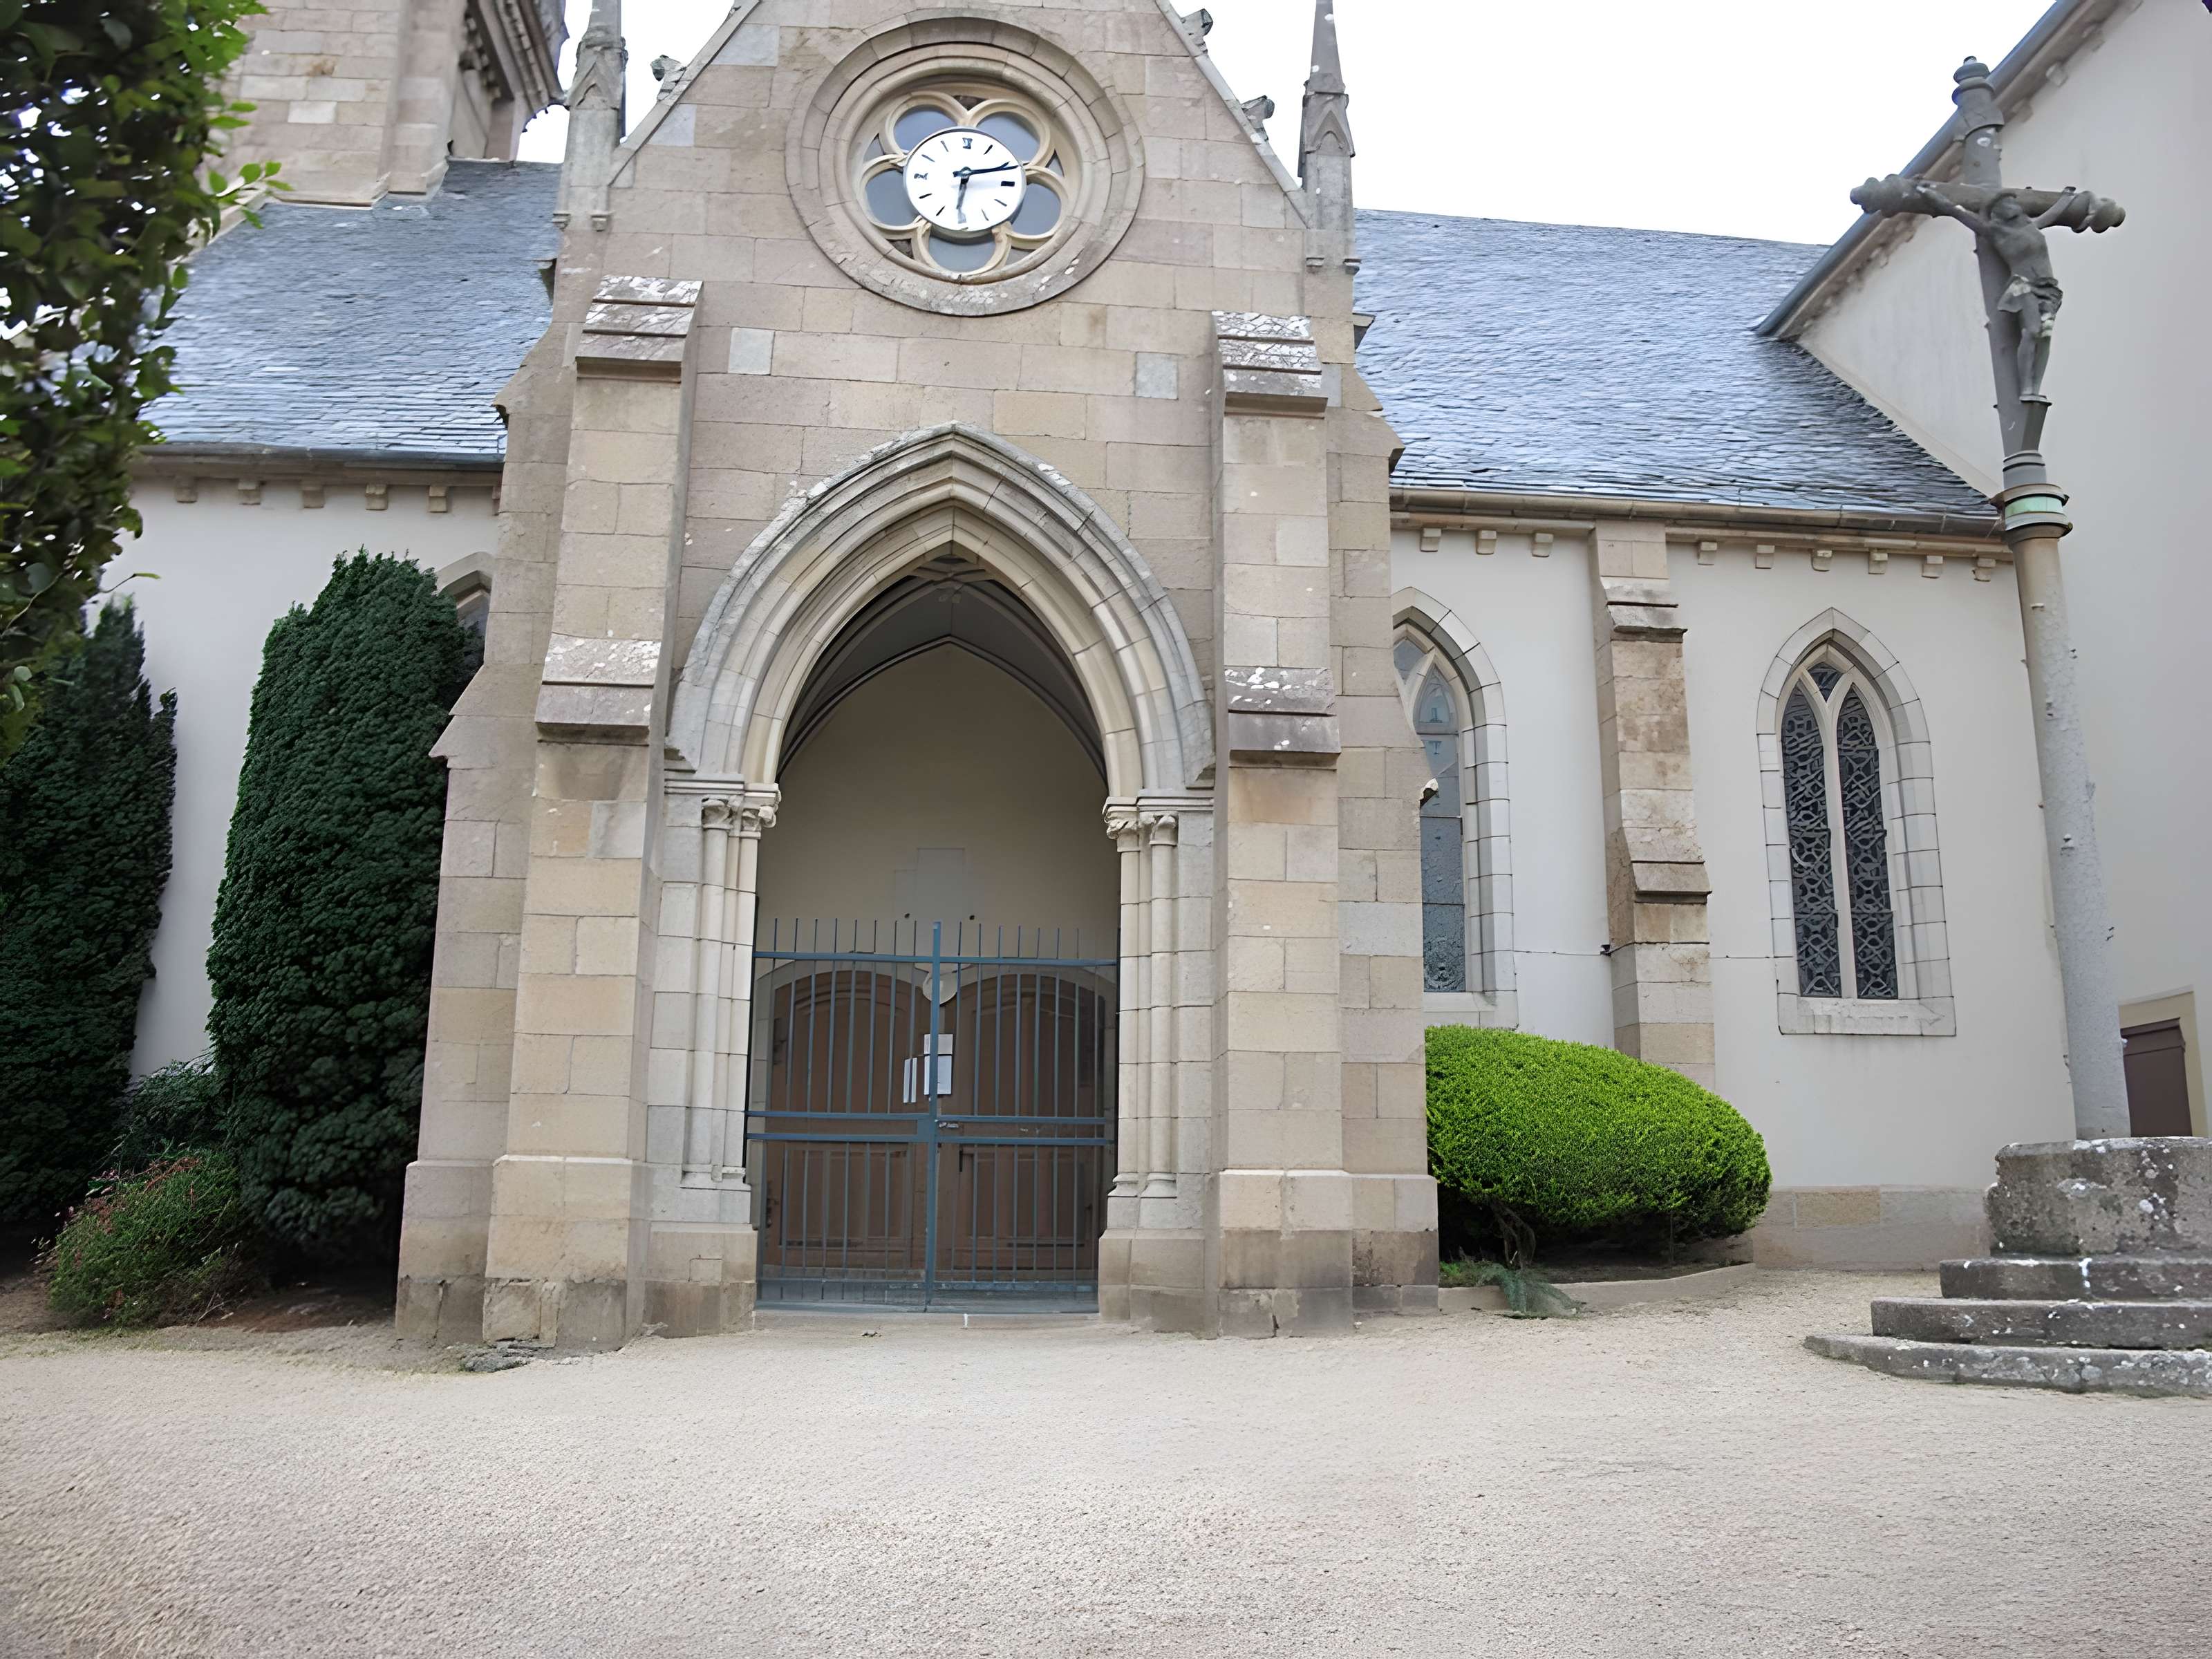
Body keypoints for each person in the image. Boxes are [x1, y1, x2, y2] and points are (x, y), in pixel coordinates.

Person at [1914, 184, 2081, 403]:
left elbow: (2053, 213)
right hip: (2023, 286)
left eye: (2012, 201)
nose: (2011, 205)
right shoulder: (1994, 231)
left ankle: (2036, 387)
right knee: (2032, 331)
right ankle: (2027, 387)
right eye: (2005, 202)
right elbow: (1954, 210)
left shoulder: (2031, 225)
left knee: (2046, 335)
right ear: (1998, 210)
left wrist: (2067, 198)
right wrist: (1926, 192)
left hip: (2048, 287)